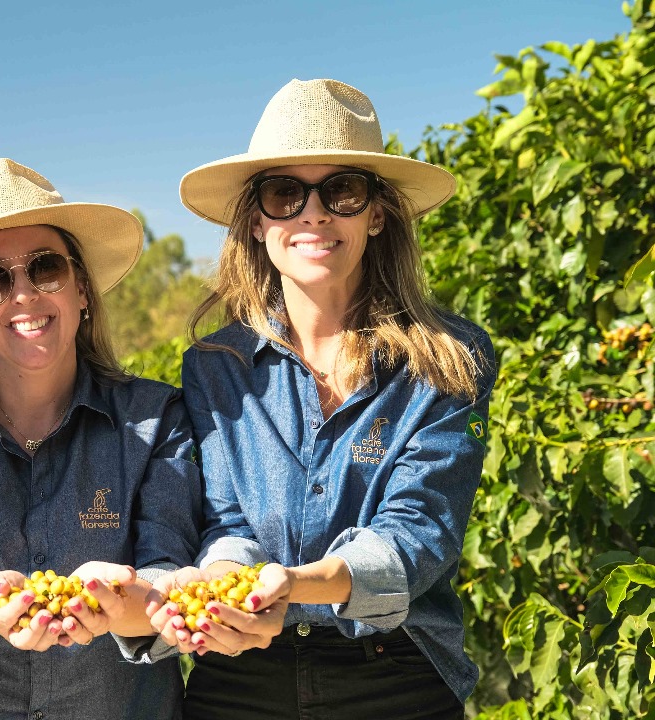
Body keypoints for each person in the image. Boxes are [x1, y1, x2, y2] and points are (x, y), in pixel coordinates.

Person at [151, 79, 496, 719]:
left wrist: (301, 584)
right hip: (243, 672)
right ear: (256, 221)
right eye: (285, 193)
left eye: (341, 191)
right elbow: (227, 519)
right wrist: (229, 582)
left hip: (394, 672)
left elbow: (418, 531)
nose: (313, 214)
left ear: (375, 213)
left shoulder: (448, 361)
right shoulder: (215, 367)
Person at [0, 158, 203, 719]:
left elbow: (167, 567)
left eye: (46, 268)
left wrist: (115, 601)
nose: (24, 293)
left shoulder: (157, 419)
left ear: (82, 289)